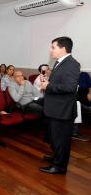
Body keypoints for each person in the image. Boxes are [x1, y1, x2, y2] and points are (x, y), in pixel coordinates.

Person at [39, 36, 80, 174]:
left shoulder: (72, 64)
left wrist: (49, 85)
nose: (50, 50)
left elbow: (70, 88)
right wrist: (48, 81)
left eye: (53, 47)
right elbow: (59, 82)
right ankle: (57, 158)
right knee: (55, 138)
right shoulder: (60, 62)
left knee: (61, 140)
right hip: (55, 108)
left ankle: (60, 167)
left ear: (63, 48)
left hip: (62, 110)